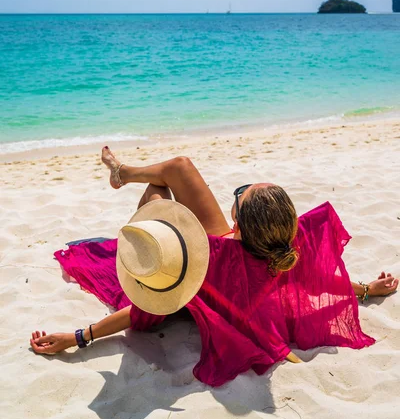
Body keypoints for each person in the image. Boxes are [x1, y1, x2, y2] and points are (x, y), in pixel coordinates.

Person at [30, 147, 398, 356]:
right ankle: (123, 172)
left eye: (240, 195)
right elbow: (319, 280)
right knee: (179, 168)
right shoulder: (285, 244)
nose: (237, 194)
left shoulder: (212, 258)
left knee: (159, 197)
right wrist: (367, 290)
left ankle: (129, 189)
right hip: (236, 256)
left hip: (191, 279)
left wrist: (79, 337)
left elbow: (142, 309)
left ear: (236, 225)